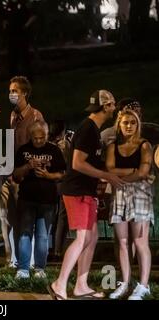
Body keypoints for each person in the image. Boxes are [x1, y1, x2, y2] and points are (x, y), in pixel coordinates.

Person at [48, 90, 125, 300]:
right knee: (82, 238)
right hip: (77, 191)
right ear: (106, 107)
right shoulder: (88, 129)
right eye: (112, 104)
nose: (115, 108)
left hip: (86, 191)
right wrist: (105, 176)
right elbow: (77, 163)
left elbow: (91, 161)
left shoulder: (92, 128)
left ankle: (81, 285)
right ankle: (59, 284)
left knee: (92, 236)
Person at [106, 109, 154, 300]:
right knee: (123, 242)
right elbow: (109, 169)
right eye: (125, 122)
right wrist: (133, 170)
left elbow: (144, 172)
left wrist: (121, 175)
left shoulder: (145, 145)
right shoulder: (112, 146)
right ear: (119, 124)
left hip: (140, 195)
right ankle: (125, 283)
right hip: (119, 196)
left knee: (140, 242)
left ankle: (143, 286)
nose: (128, 126)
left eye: (132, 123)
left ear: (137, 124)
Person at [13, 121, 66, 279]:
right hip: (27, 199)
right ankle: (23, 269)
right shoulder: (23, 150)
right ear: (31, 136)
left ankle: (39, 269)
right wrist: (27, 166)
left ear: (47, 135)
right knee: (24, 233)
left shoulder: (54, 150)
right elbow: (16, 176)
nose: (38, 141)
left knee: (43, 236)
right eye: (35, 138)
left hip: (47, 201)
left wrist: (48, 176)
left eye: (41, 138)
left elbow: (62, 173)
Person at [0, 75, 44, 268]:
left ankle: (30, 261)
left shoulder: (35, 116)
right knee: (9, 217)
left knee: (26, 218)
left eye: (15, 91)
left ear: (25, 93)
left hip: (25, 175)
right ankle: (14, 258)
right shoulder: (13, 116)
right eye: (10, 90)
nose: (11, 94)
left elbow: (38, 147)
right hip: (11, 172)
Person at [49, 120, 71, 260]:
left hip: (49, 182)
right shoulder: (64, 145)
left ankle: (50, 247)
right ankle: (57, 250)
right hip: (63, 182)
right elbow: (69, 163)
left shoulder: (47, 144)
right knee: (63, 217)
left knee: (51, 216)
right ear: (62, 131)